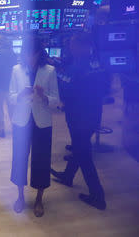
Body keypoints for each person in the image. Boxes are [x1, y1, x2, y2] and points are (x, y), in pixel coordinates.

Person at [51, 34, 108, 210]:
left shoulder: (76, 67)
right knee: (79, 147)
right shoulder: (96, 63)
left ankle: (98, 196)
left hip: (78, 117)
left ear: (81, 47)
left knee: (84, 155)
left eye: (73, 46)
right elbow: (104, 87)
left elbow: (65, 90)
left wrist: (58, 71)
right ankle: (68, 176)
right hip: (93, 114)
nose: (71, 49)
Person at [8, 36, 59, 217]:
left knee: (41, 160)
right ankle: (20, 196)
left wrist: (44, 97)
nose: (30, 57)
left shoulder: (50, 70)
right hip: (21, 121)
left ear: (39, 53)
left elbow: (56, 100)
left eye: (33, 53)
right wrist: (20, 95)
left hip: (42, 122)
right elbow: (11, 96)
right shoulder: (16, 70)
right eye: (27, 53)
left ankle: (39, 199)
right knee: (20, 159)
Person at [0, 35, 18, 137]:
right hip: (10, 85)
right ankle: (15, 127)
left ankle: (0, 130)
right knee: (12, 108)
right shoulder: (12, 53)